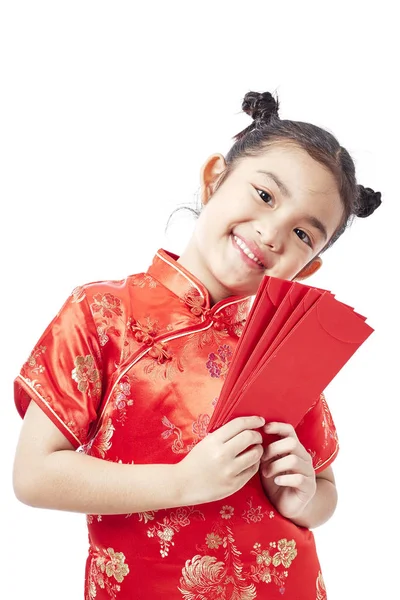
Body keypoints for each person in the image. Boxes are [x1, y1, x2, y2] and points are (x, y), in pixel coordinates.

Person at [13, 91, 382, 599]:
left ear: (310, 266)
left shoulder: (286, 344)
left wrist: (300, 498)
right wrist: (183, 483)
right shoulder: (104, 313)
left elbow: (325, 494)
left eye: (302, 233)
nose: (272, 233)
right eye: (265, 196)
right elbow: (34, 474)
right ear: (214, 180)